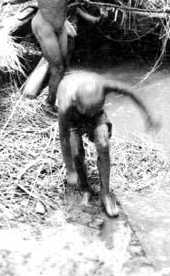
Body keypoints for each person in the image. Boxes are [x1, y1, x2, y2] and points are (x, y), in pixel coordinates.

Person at [2, 0, 99, 110]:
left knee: (63, 64)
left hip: (60, 24)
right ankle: (49, 104)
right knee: (57, 67)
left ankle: (53, 97)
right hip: (44, 26)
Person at [57, 70, 161, 217]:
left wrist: (148, 115)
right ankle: (85, 188)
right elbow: (63, 137)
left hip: (94, 111)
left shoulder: (103, 85)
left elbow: (130, 91)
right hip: (74, 117)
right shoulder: (66, 103)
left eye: (95, 108)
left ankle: (105, 194)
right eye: (89, 110)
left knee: (104, 145)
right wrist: (70, 169)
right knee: (76, 152)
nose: (90, 114)